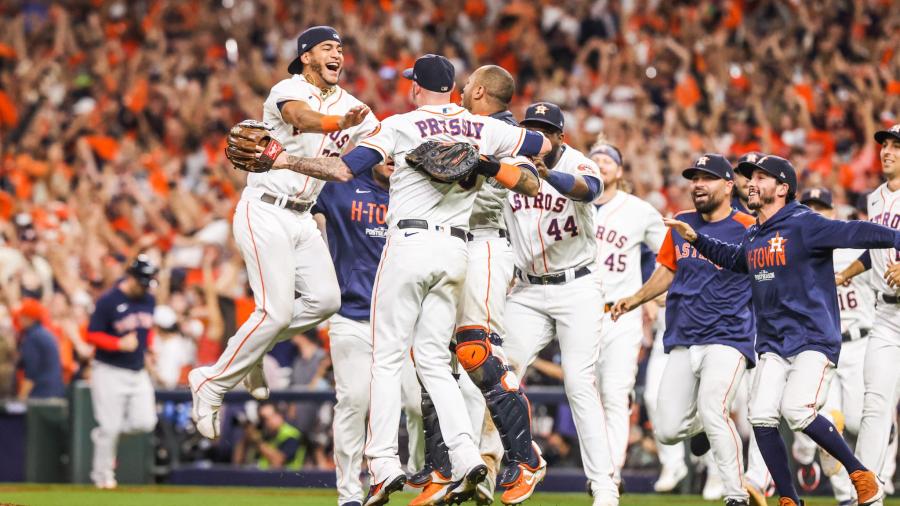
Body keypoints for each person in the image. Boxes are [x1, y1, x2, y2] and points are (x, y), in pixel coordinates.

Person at [256, 53, 550, 506]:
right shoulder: (484, 128)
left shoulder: (401, 125)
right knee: (433, 361)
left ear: (417, 88)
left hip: (409, 246)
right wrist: (485, 159)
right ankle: (465, 454)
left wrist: (283, 163)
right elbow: (541, 147)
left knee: (388, 360)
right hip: (456, 252)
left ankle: (384, 465)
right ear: (454, 90)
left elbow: (339, 169)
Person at [664, 155, 900, 506]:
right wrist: (696, 239)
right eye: (749, 177)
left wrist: (897, 237)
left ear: (783, 187)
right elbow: (734, 259)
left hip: (812, 340)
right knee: (760, 415)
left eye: (761, 176)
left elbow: (856, 232)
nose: (751, 182)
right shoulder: (755, 233)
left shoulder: (805, 223)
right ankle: (789, 499)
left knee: (797, 409)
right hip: (773, 344)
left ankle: (861, 475)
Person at [188, 25, 377, 440]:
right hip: (266, 209)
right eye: (327, 48)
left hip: (304, 217)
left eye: (341, 49)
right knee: (274, 312)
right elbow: (301, 119)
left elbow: (383, 145)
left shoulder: (354, 106)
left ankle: (253, 347)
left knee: (326, 301)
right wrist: (336, 122)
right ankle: (211, 381)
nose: (337, 55)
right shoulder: (286, 89)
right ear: (306, 56)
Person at [407, 64, 546, 506]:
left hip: (485, 243)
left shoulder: (504, 131)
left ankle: (525, 457)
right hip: (448, 244)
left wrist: (486, 163)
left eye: (467, 85)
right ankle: (442, 466)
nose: (461, 89)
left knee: (475, 349)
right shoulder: (458, 124)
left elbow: (531, 181)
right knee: (433, 356)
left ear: (481, 90)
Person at [612, 154, 756, 506]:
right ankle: (702, 428)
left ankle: (736, 494)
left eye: (706, 178)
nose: (698, 184)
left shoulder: (748, 225)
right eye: (694, 178)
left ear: (728, 185)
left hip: (729, 335)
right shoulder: (680, 223)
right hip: (683, 335)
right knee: (668, 428)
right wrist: (636, 297)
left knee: (713, 405)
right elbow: (666, 269)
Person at [498, 102, 617, 506]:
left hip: (577, 286)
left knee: (579, 383)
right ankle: (512, 461)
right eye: (530, 128)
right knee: (498, 371)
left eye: (544, 130)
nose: (537, 136)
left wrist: (549, 176)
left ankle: (603, 486)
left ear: (560, 138)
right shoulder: (511, 166)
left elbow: (591, 190)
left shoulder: (581, 164)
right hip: (528, 290)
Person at [312, 160, 423, 506]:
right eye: (384, 152)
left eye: (397, 154)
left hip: (402, 320)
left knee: (419, 403)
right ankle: (349, 493)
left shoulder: (417, 190)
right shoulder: (341, 183)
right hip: (351, 315)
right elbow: (298, 199)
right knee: (354, 401)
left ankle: (422, 478)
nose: (391, 160)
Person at [792, 187, 891, 506]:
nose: (817, 213)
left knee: (859, 419)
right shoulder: (798, 253)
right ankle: (845, 496)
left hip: (861, 342)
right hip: (823, 345)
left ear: (834, 213)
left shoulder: (851, 245)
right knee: (827, 419)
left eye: (823, 207)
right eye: (809, 208)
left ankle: (857, 477)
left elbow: (877, 252)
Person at [590, 141, 666, 484]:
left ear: (619, 171)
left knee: (616, 394)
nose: (601, 164)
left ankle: (610, 472)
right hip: (577, 314)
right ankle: (598, 467)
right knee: (584, 395)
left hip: (622, 314)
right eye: (595, 160)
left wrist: (651, 292)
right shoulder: (569, 205)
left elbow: (668, 252)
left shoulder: (639, 210)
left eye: (608, 160)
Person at [837, 123, 900, 498]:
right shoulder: (875, 197)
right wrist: (846, 273)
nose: (888, 151)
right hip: (887, 318)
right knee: (874, 405)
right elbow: (875, 249)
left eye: (896, 146)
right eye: (885, 145)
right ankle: (867, 491)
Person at [85, 255, 159, 490]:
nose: (145, 287)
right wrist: (117, 344)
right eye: (142, 282)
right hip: (109, 370)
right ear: (131, 276)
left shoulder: (149, 299)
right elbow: (91, 334)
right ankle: (102, 477)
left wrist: (148, 349)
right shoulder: (109, 300)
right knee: (110, 427)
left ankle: (106, 436)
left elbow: (145, 329)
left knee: (146, 422)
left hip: (137, 371)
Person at [16, 298, 65, 399]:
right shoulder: (44, 333)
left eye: (22, 316)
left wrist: (21, 398)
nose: (19, 319)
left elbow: (31, 372)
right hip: (55, 392)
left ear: (30, 318)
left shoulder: (33, 337)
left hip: (41, 395)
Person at [233, 403, 306, 470]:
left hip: (288, 480)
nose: (266, 422)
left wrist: (257, 442)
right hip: (266, 479)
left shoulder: (292, 434)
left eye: (268, 418)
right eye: (262, 419)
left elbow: (278, 461)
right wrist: (246, 437)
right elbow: (237, 464)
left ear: (279, 415)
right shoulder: (265, 434)